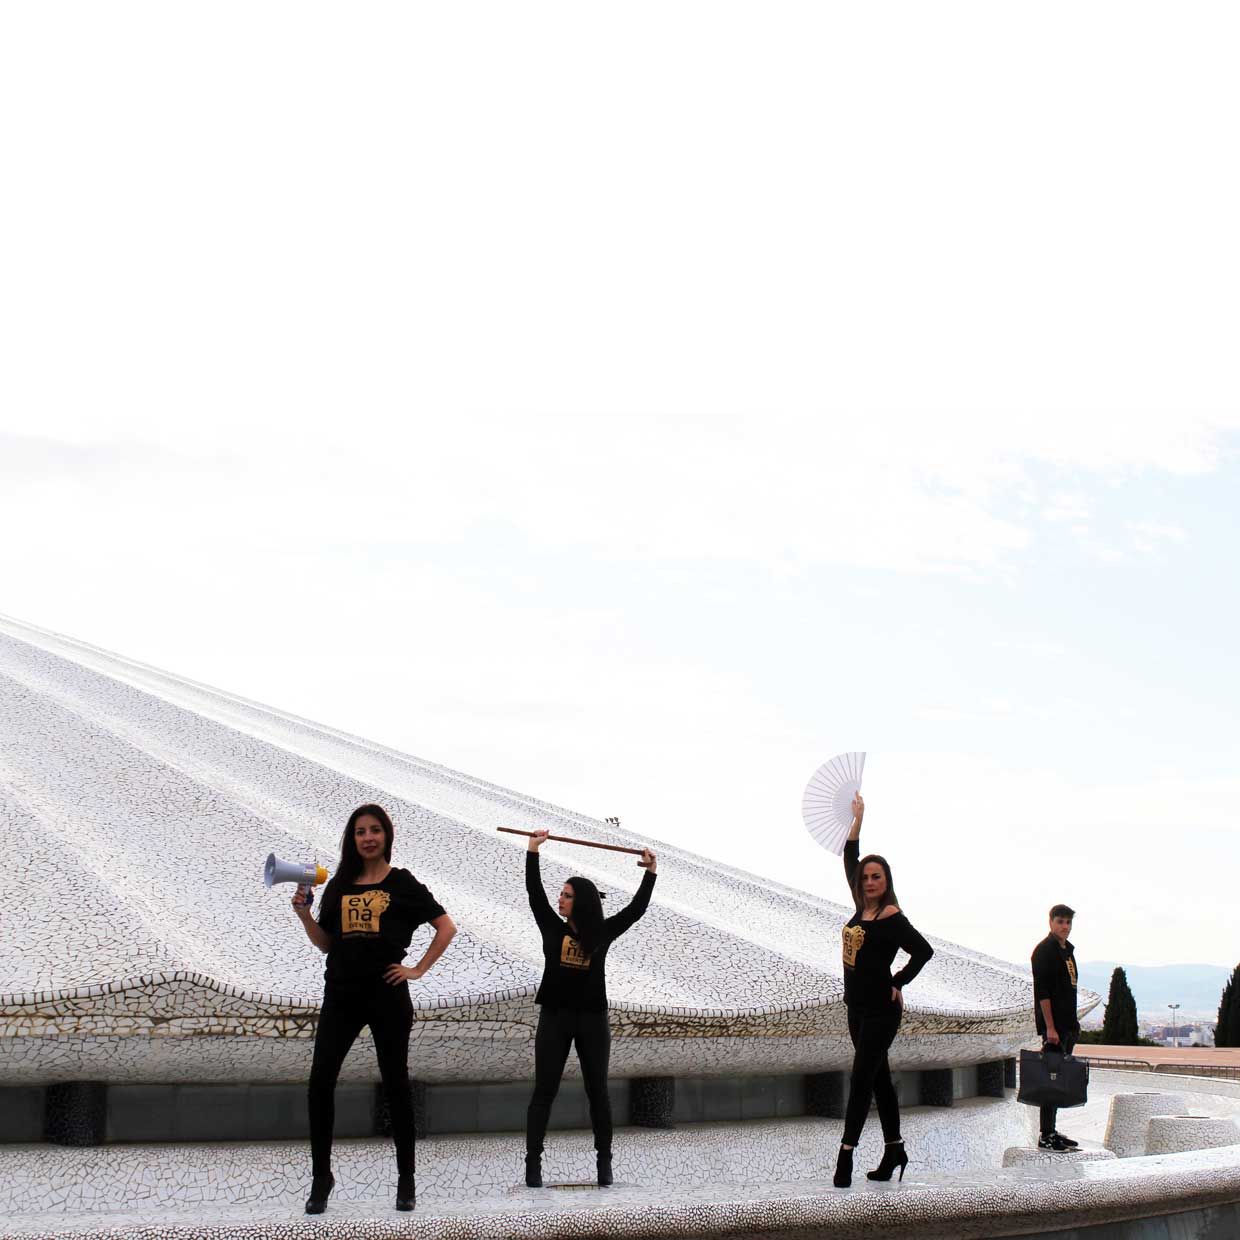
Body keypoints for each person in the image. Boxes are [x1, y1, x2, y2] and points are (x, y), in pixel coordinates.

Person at [293, 803, 457, 1214]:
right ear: (352, 839)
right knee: (320, 1083)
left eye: (375, 830)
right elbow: (327, 944)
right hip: (341, 994)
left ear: (387, 836)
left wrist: (417, 969)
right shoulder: (339, 885)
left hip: (387, 993)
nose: (368, 838)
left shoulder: (403, 883)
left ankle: (406, 1179)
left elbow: (446, 927)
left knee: (396, 1084)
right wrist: (304, 915)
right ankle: (321, 1177)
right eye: (360, 831)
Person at [523, 828, 657, 1189]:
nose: (560, 899)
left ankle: (604, 1163)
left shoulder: (602, 933)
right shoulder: (552, 928)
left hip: (593, 1020)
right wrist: (533, 850)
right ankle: (533, 1164)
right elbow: (534, 893)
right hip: (555, 1017)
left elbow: (636, 910)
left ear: (580, 901)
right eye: (561, 894)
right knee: (544, 1091)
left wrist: (650, 872)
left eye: (567, 895)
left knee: (598, 1091)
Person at [834, 792, 934, 1188]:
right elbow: (850, 857)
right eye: (866, 877)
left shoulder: (891, 916)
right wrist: (857, 820)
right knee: (878, 1079)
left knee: (861, 1080)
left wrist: (898, 981)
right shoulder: (861, 908)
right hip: (856, 1008)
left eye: (876, 876)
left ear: (887, 881)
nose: (869, 881)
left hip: (881, 1011)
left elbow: (923, 951)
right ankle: (895, 1149)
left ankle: (846, 1155)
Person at [1031, 903, 1080, 1151]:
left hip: (1068, 1025)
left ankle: (1052, 1129)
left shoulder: (1067, 951)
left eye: (1068, 922)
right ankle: (1045, 1135)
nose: (1065, 926)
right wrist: (1050, 1027)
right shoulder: (1044, 951)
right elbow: (1043, 993)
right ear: (1050, 922)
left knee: (1059, 1080)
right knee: (1050, 1080)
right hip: (1054, 1029)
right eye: (1060, 921)